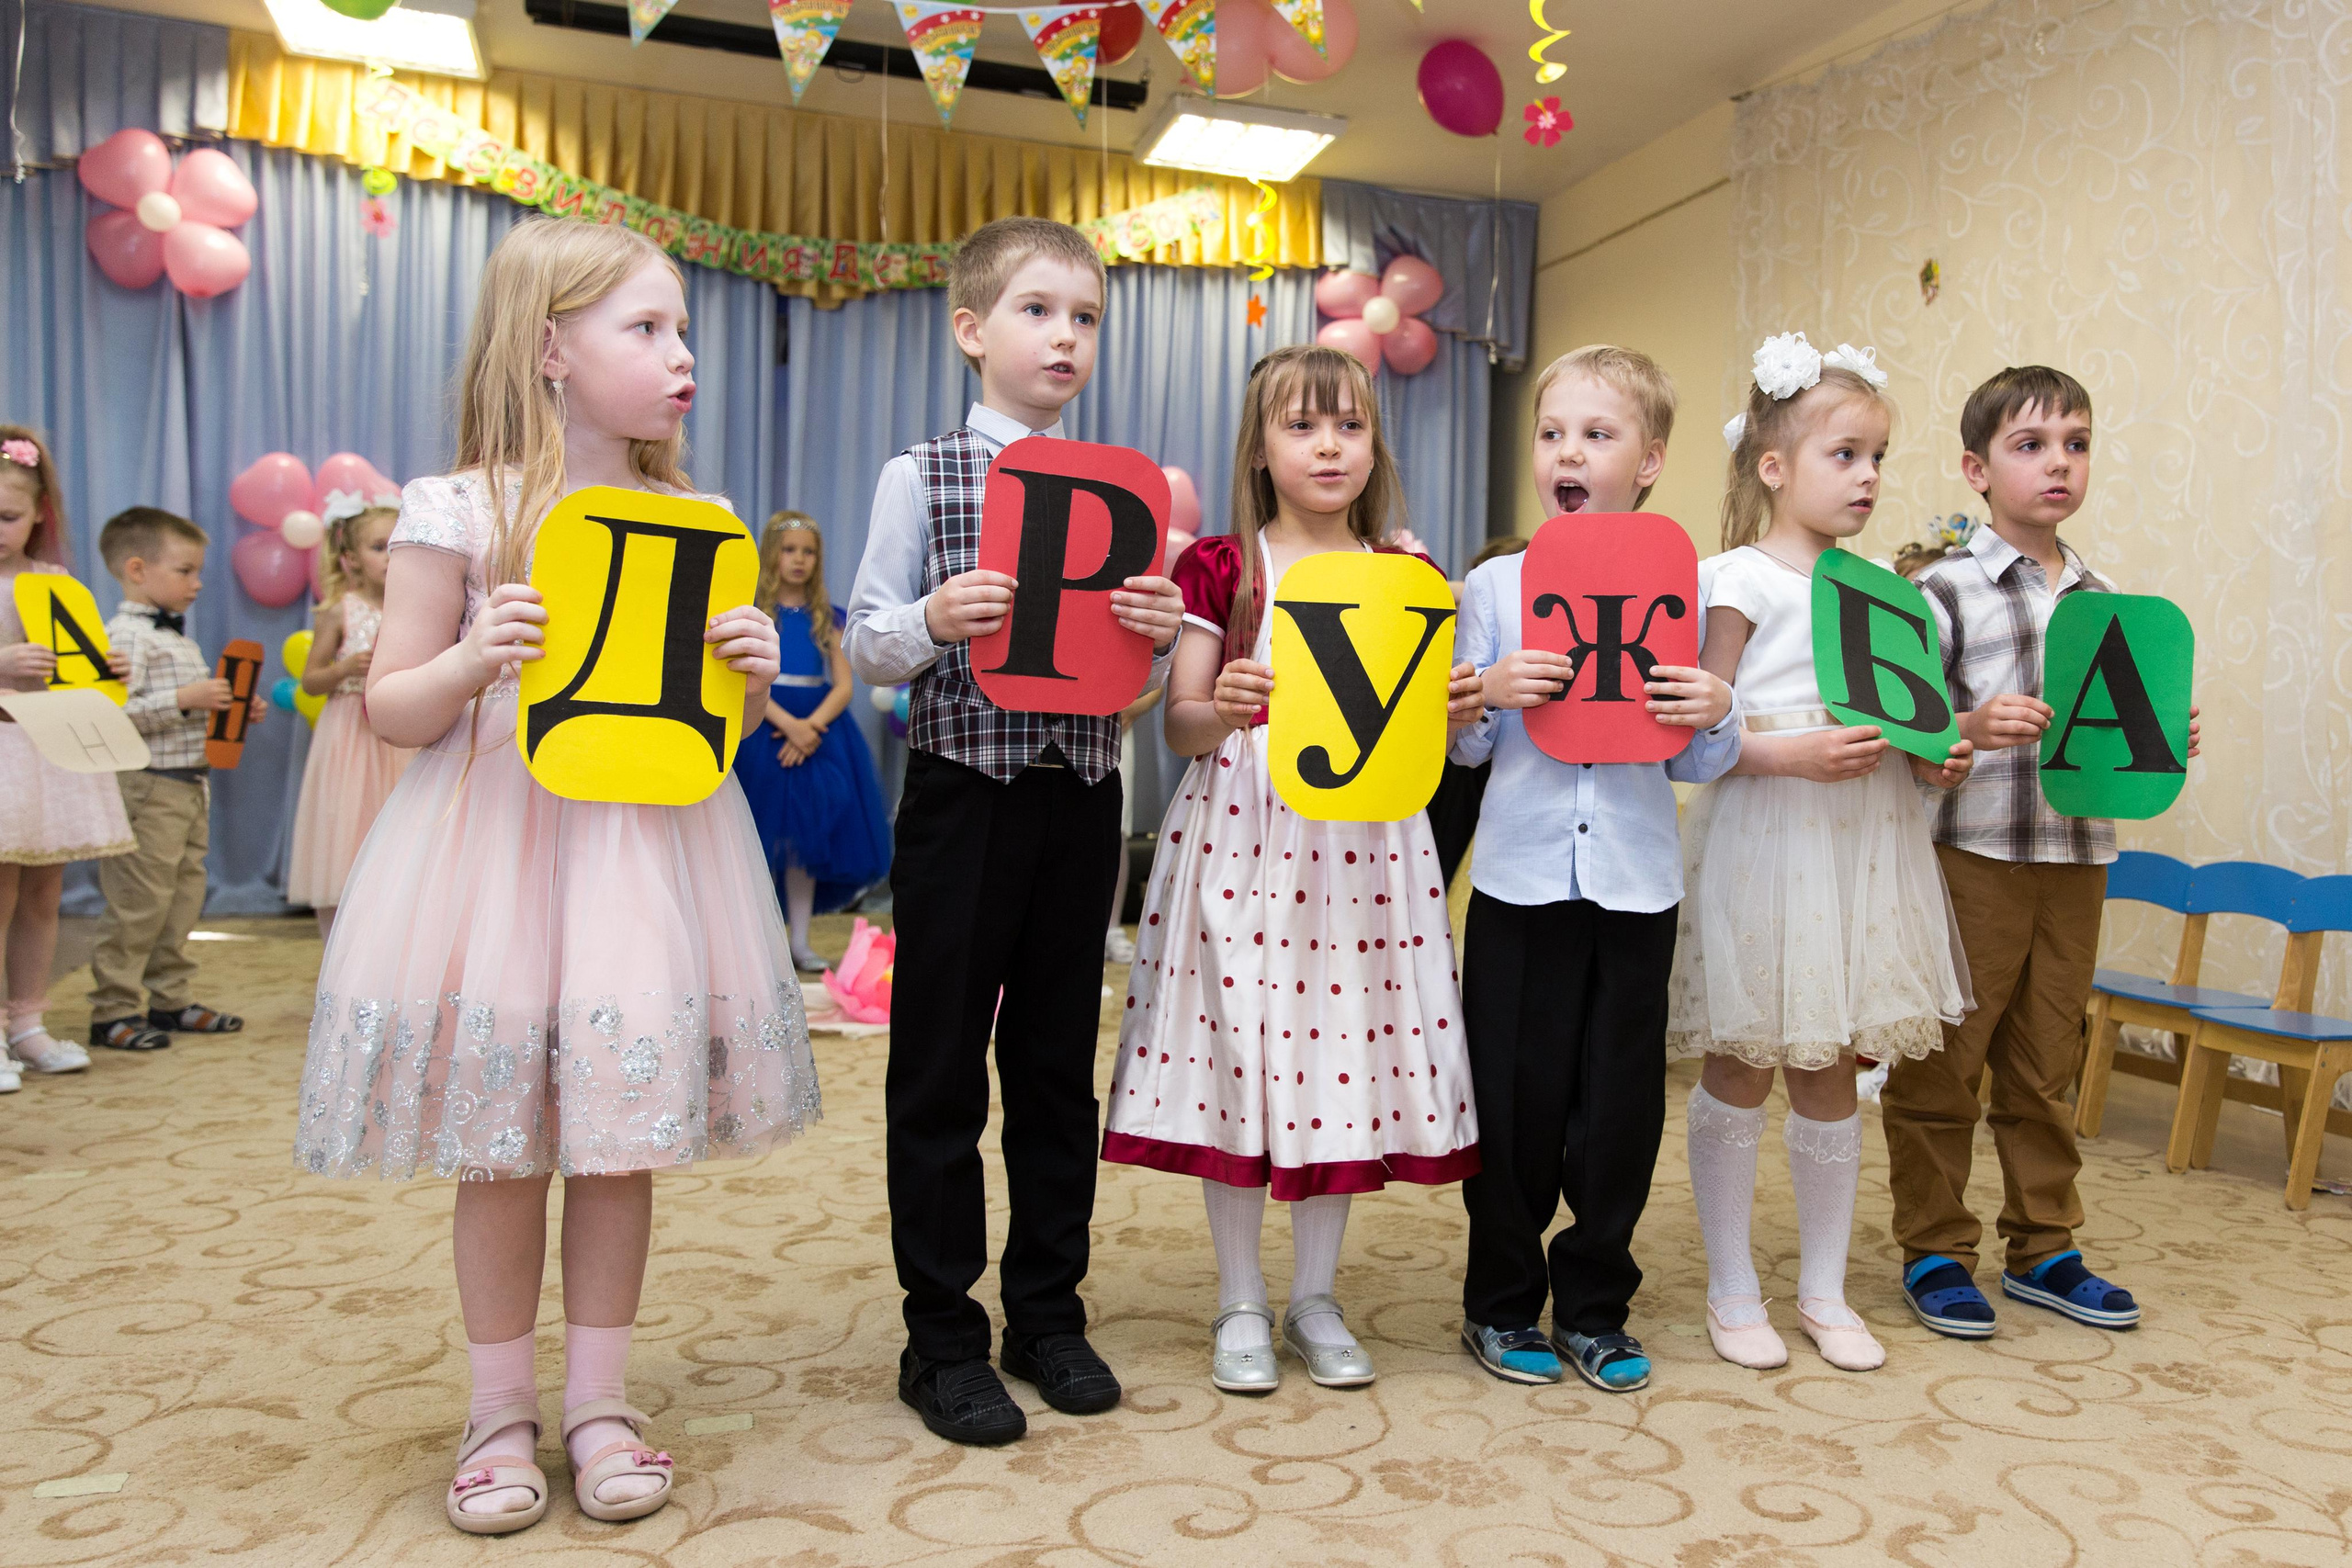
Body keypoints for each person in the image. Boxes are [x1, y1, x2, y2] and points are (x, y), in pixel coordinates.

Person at [288, 218, 817, 1535]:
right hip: (496, 855)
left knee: (619, 1144)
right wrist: (472, 658)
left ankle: (599, 1398)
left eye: (682, 328)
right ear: (549, 350)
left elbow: (702, 740)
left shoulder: (693, 519)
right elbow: (395, 706)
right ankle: (497, 1407)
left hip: (641, 858)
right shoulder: (456, 508)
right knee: (502, 1145)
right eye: (646, 328)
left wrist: (746, 677)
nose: (681, 352)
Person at [845, 216, 1186, 1447]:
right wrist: (933, 614)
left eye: (1087, 317)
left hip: (1080, 798)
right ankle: (941, 1331)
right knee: (938, 1063)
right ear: (973, 331)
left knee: (1052, 1065)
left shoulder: (1119, 489)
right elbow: (865, 635)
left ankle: (1048, 1307)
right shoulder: (921, 473)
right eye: (1040, 310)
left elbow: (1133, 679)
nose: (1067, 336)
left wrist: (1155, 626)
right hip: (959, 796)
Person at [1104, 344, 1484, 1395]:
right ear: (1261, 448)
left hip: (1362, 849)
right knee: (1239, 1054)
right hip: (1243, 830)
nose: (1327, 445)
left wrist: (1453, 711)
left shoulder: (1404, 575)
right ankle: (1239, 1299)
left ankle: (1315, 1298)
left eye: (1349, 425)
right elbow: (1178, 725)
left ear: (1375, 446)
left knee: (1337, 1059)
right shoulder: (1220, 569)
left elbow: (1427, 740)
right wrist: (1217, 703)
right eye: (1301, 426)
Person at [1670, 333, 1975, 1375]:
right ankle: (1728, 1285)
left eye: (1878, 457)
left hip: (1864, 843)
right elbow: (1693, 744)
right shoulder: (1735, 579)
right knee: (1745, 1056)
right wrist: (1782, 751)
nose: (1868, 478)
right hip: (1768, 838)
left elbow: (1914, 724)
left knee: (1838, 1061)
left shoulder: (1891, 595)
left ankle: (1824, 1289)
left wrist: (1937, 760)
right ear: (1774, 466)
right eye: (1844, 454)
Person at [1451, 344, 1741, 1393]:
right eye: (1551, 433)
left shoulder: (1685, 585)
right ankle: (1497, 1303)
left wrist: (1717, 711)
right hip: (1522, 880)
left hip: (1634, 882)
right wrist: (1484, 690)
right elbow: (1464, 751)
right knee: (1516, 1100)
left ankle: (1594, 1305)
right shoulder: (1491, 583)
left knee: (1618, 1105)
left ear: (1650, 461)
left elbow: (1697, 756)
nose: (1566, 452)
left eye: (1597, 434)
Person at [1888, 365, 2198, 1337]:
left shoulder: (2106, 599)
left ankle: (2045, 1246)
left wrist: (2162, 737)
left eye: (2074, 443)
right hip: (1971, 855)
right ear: (1977, 469)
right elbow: (1900, 727)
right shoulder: (1939, 591)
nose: (2056, 463)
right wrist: (1970, 723)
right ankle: (1936, 1247)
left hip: (2075, 858)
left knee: (2046, 1058)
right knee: (1947, 1057)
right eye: (2030, 446)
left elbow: (2118, 726)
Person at [87, 506, 263, 1053]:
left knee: (183, 897)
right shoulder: (126, 637)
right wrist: (185, 700)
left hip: (189, 783)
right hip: (148, 784)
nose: (198, 582)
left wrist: (227, 710)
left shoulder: (175, 639)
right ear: (137, 570)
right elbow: (109, 714)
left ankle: (169, 998)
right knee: (140, 901)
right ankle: (113, 1009)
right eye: (185, 570)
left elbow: (181, 710)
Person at [0, 425, 130, 1082]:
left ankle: (26, 1021)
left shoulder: (51, 581)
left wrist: (107, 668)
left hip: (43, 750)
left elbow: (78, 672)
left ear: (38, 515)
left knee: (43, 893)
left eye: (8, 515)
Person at [731, 511, 890, 972]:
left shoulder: (830, 618)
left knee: (804, 841)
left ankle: (799, 942)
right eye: (789, 550)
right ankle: (755, 949)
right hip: (760, 728)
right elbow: (740, 677)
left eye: (808, 552)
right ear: (771, 555)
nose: (799, 560)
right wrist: (786, 724)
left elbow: (843, 686)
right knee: (755, 839)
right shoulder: (756, 615)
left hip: (818, 735)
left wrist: (810, 728)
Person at [287, 496, 415, 940]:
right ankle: (337, 951)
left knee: (400, 839)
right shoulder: (339, 610)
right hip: (350, 740)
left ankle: (392, 946)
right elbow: (311, 681)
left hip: (399, 739)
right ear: (350, 559)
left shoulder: (415, 609)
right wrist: (342, 670)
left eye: (399, 545)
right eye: (380, 547)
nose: (392, 556)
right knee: (345, 838)